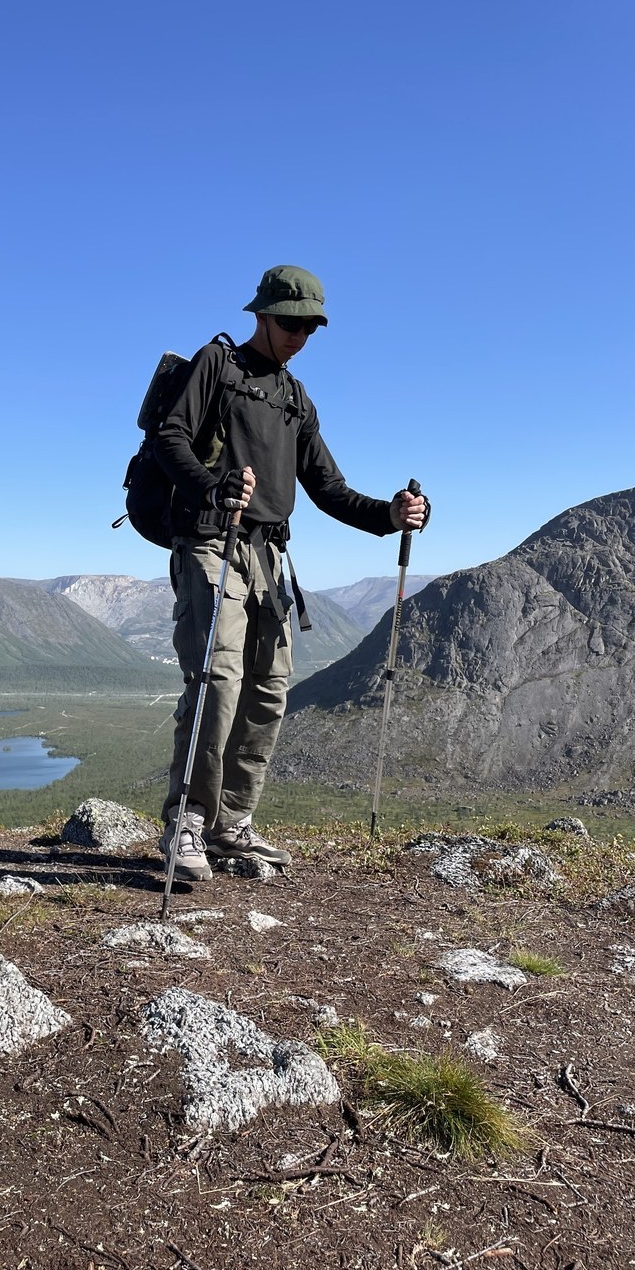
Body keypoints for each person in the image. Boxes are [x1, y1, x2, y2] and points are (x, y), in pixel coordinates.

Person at [153, 264, 428, 882]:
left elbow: (328, 488)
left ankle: (231, 823)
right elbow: (171, 438)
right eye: (289, 323)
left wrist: (390, 515)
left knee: (268, 689)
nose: (299, 336)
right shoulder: (217, 365)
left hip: (269, 556)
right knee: (218, 681)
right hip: (210, 541)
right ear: (261, 314)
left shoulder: (295, 398)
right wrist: (213, 486)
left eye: (309, 328)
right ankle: (186, 823)